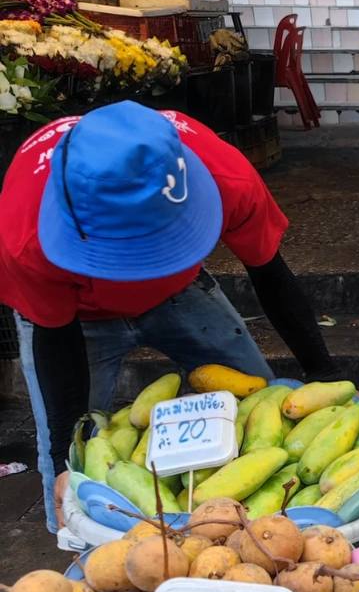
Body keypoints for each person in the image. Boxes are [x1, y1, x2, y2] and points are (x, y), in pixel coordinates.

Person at [0, 101, 336, 531]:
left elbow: (270, 274)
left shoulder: (225, 178)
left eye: (152, 246)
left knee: (261, 413)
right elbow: (55, 336)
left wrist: (324, 373)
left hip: (176, 291)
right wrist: (65, 456)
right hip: (75, 320)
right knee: (73, 480)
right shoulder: (28, 233)